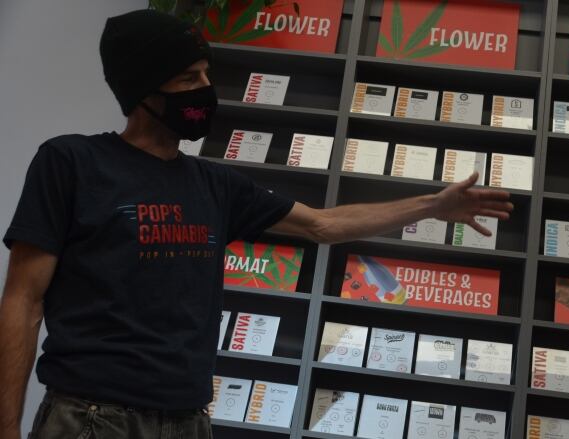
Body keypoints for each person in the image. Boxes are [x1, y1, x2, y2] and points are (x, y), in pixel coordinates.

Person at [0, 9, 512, 439]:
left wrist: (433, 206)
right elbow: (22, 301)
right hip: (93, 418)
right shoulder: (72, 162)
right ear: (141, 91)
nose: (204, 90)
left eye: (205, 74)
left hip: (188, 420)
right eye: (186, 79)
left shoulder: (215, 184)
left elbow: (324, 225)